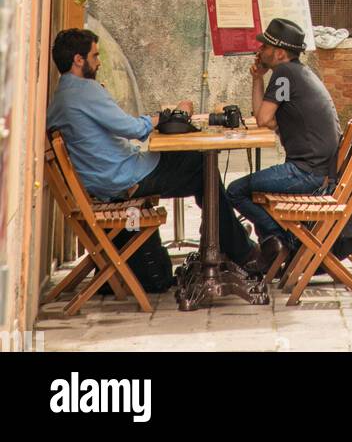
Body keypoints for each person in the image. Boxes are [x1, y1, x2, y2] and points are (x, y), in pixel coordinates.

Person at [46, 28, 262, 277]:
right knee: (201, 164)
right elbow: (133, 129)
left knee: (199, 166)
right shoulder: (85, 90)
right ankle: (234, 248)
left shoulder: (62, 95)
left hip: (106, 180)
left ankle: (220, 241)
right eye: (95, 56)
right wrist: (165, 117)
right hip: (125, 180)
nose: (99, 61)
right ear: (78, 60)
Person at [226, 18, 340, 266]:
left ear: (279, 53)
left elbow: (263, 117)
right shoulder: (295, 73)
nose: (260, 50)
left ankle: (282, 240)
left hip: (306, 174)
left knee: (235, 191)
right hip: (319, 172)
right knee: (246, 190)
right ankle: (274, 244)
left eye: (265, 47)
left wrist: (262, 82)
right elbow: (265, 121)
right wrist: (257, 78)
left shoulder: (284, 74)